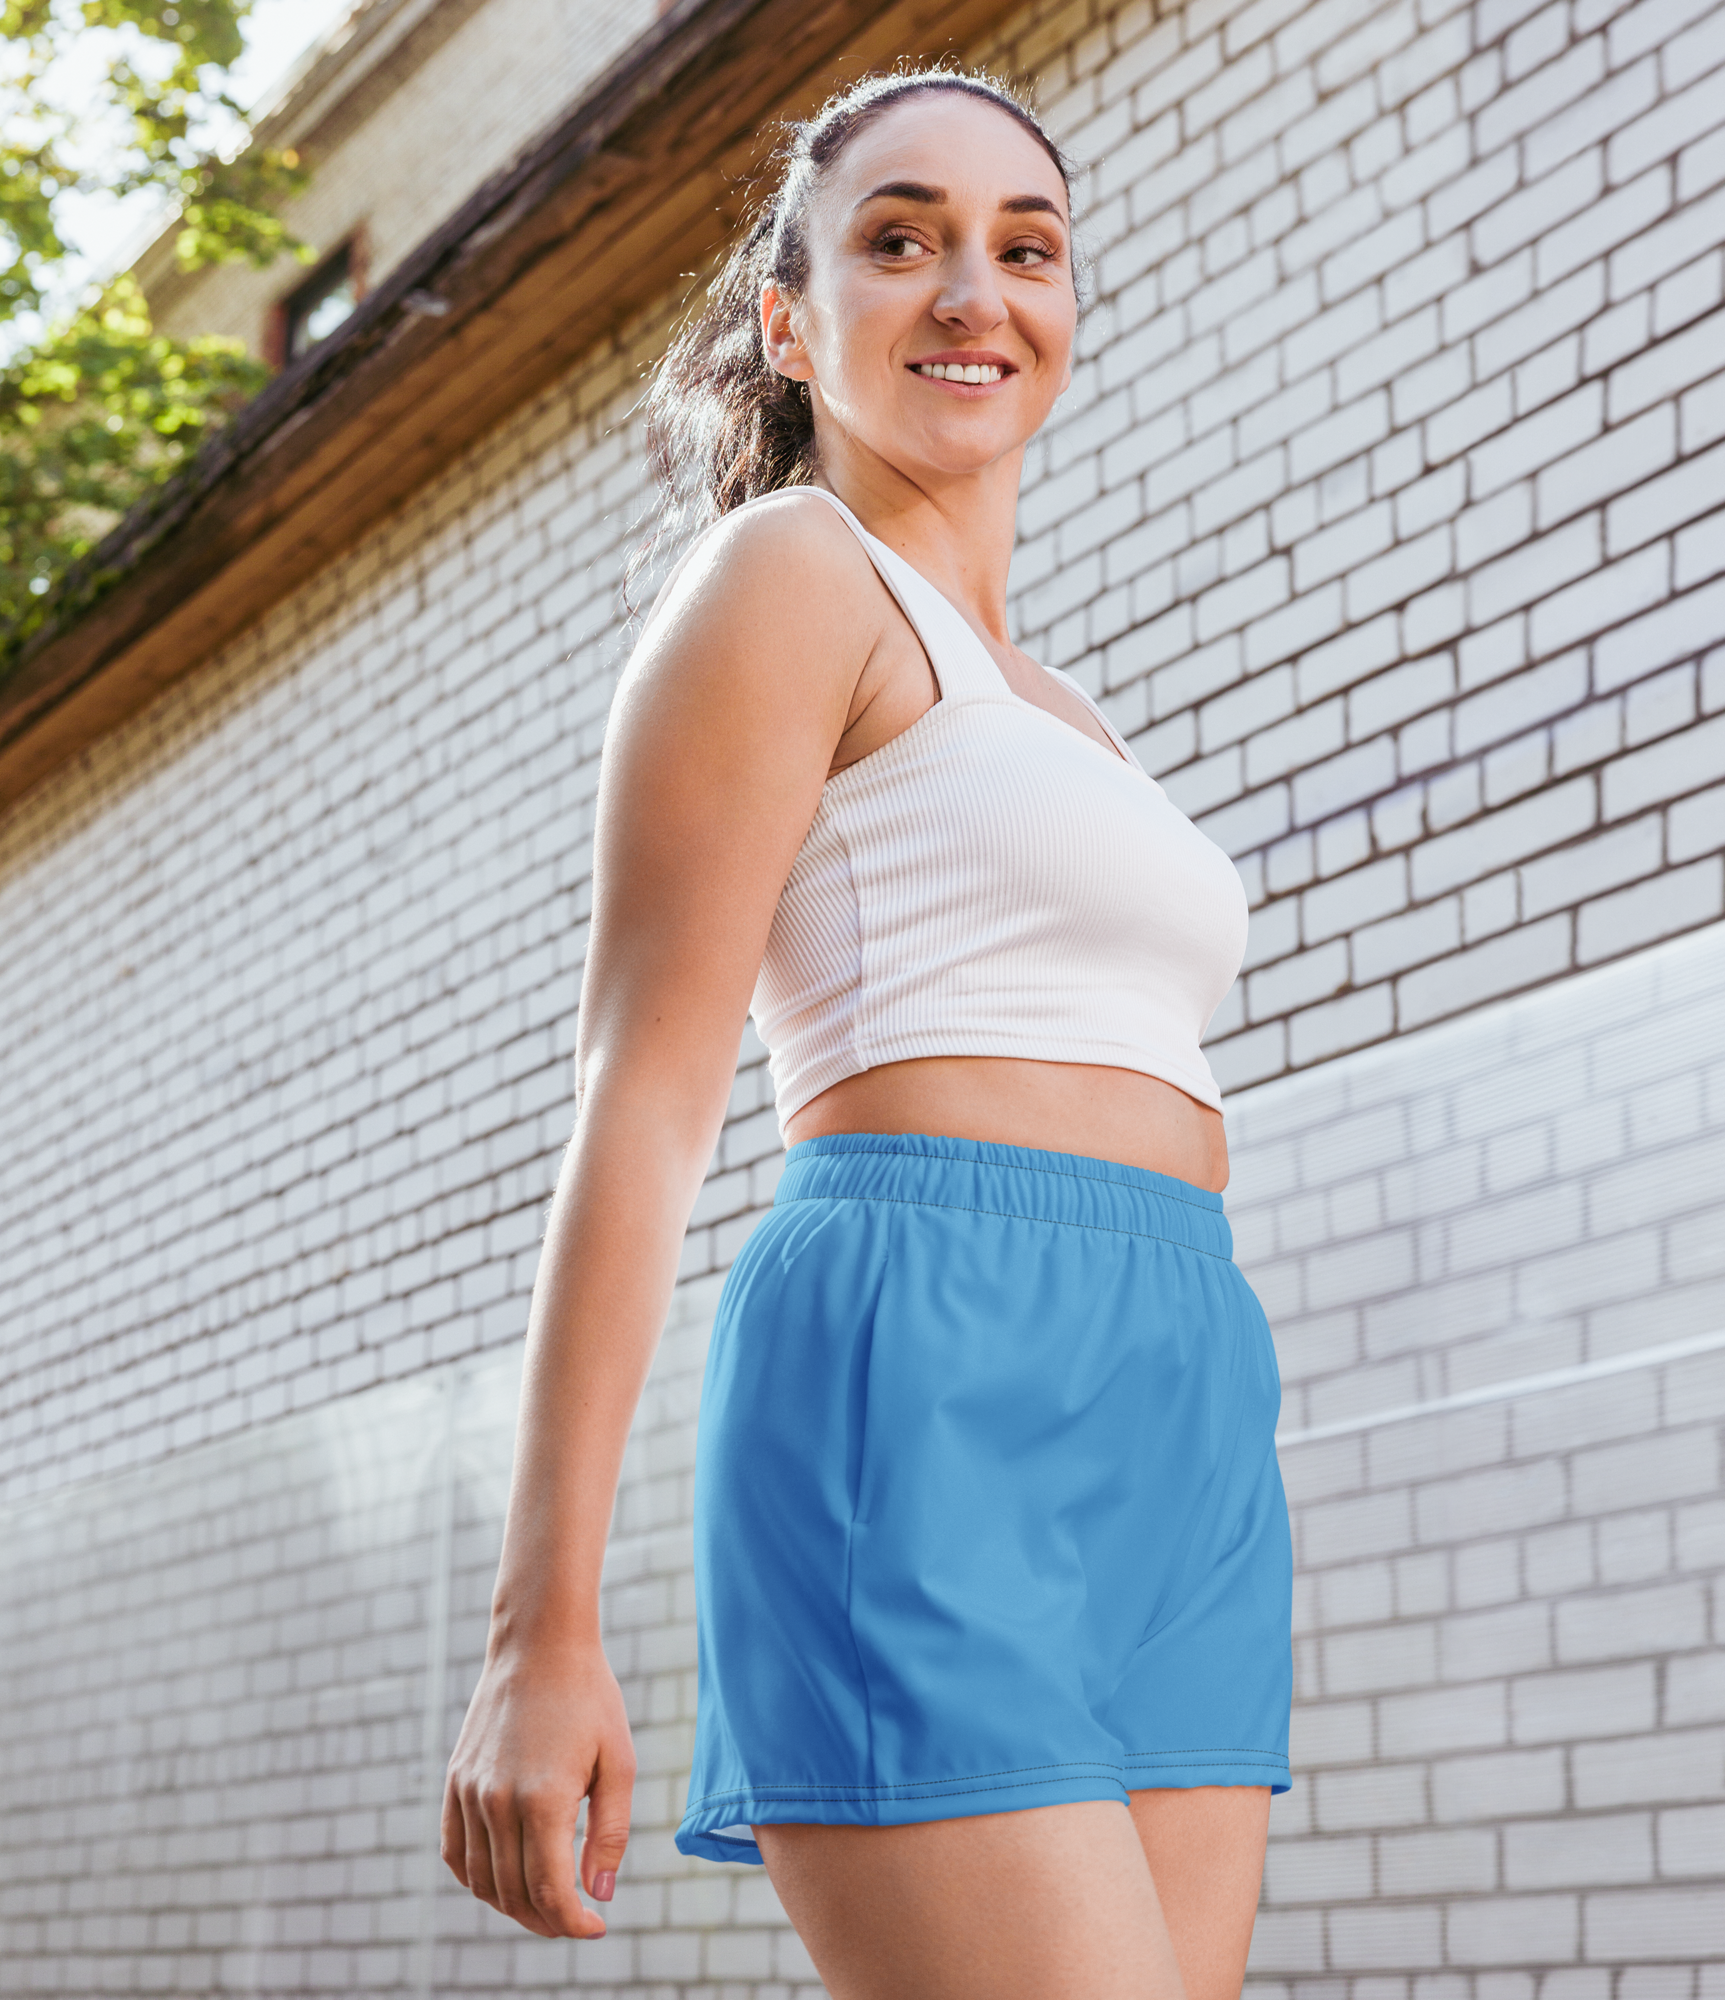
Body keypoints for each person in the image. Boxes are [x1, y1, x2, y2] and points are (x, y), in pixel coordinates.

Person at [440, 68, 1293, 2000]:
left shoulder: (1066, 705)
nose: (974, 291)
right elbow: (641, 1099)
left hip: (1179, 1388)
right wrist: (538, 1630)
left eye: (1027, 248)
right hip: (923, 1352)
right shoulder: (787, 577)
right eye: (901, 240)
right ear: (790, 319)